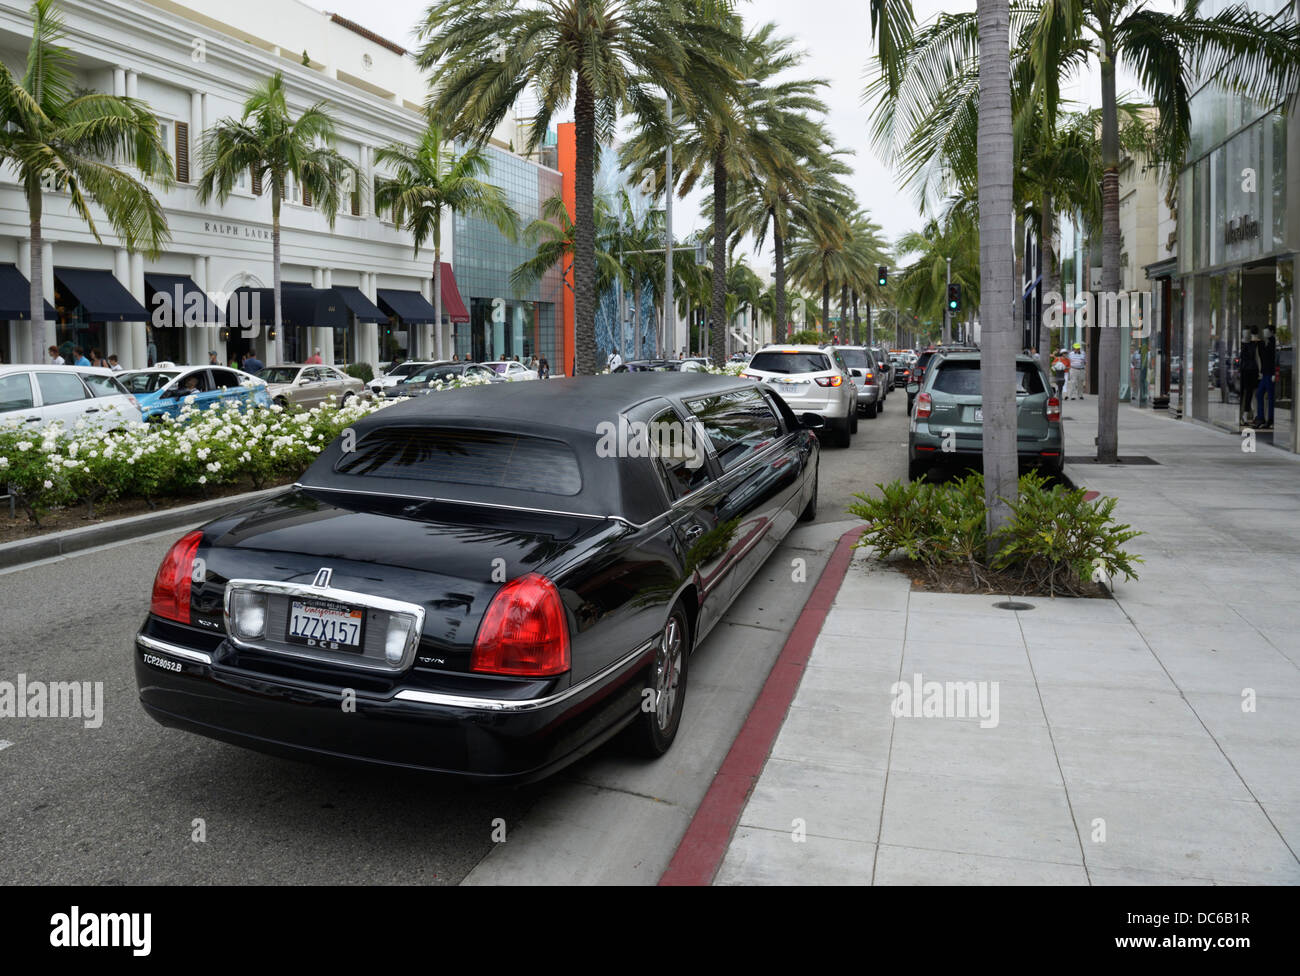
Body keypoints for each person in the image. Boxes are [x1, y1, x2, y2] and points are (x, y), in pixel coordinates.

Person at [1255, 328, 1276, 430]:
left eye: (1266, 332)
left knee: (1271, 397)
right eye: (1263, 332)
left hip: (1270, 374)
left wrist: (1274, 373)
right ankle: (1261, 418)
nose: (1264, 334)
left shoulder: (1273, 343)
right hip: (1264, 374)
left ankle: (1270, 419)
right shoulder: (1263, 343)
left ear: (1271, 332)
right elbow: (1261, 356)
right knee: (1259, 394)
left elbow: (1274, 359)